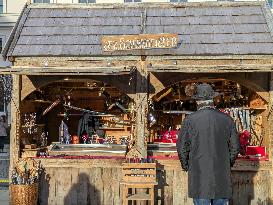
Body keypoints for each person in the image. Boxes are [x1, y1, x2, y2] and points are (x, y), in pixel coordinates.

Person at [176, 83, 240, 205]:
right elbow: (235, 147)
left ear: (197, 102)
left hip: (199, 176)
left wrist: (187, 166)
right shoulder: (227, 120)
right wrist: (227, 162)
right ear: (213, 100)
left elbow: (182, 148)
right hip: (221, 175)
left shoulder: (190, 120)